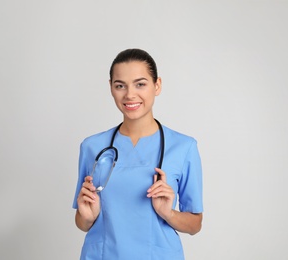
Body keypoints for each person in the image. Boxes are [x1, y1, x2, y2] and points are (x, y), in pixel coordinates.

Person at [72, 48, 203, 260]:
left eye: (140, 84)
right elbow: (82, 222)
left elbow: (195, 224)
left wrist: (167, 213)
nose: (130, 94)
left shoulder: (183, 147)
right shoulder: (92, 147)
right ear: (111, 88)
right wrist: (87, 217)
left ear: (157, 85)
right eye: (120, 86)